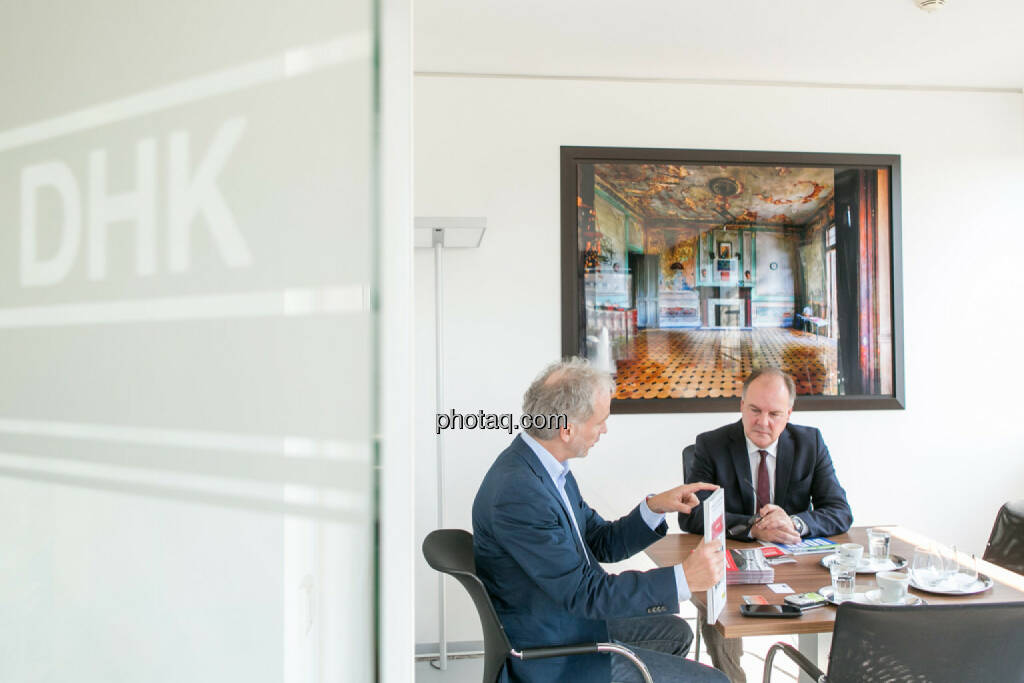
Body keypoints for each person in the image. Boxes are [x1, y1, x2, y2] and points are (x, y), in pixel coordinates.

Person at [473, 359, 729, 683]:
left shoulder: (547, 470)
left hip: (567, 621)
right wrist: (683, 578)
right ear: (567, 429)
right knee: (716, 681)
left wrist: (654, 508)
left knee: (674, 630)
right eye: (600, 422)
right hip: (558, 653)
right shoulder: (519, 493)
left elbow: (599, 541)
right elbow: (586, 594)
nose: (604, 430)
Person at [678, 367, 853, 682]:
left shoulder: (810, 443)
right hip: (730, 565)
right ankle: (732, 678)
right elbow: (690, 515)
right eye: (755, 410)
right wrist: (752, 527)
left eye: (775, 413)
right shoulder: (711, 445)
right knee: (715, 611)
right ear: (741, 406)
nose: (763, 422)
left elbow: (839, 511)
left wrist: (795, 523)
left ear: (789, 413)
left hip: (795, 567)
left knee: (845, 606)